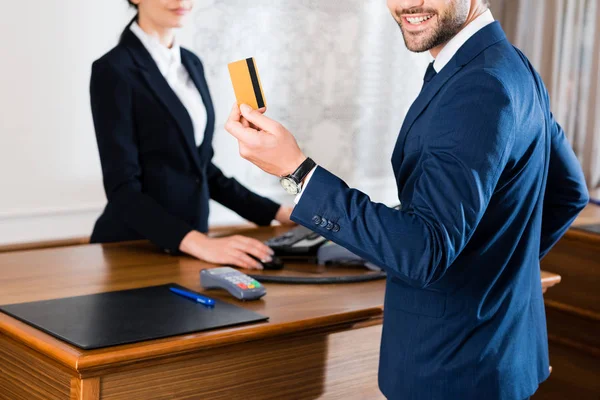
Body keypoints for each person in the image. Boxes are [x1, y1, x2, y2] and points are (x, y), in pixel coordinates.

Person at [225, 0, 589, 398]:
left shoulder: (479, 85)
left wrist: (297, 171)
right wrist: (494, 271)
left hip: (453, 370)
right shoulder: (509, 63)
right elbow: (569, 193)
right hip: (495, 359)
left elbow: (424, 250)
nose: (407, 4)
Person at [90, 0, 294, 270]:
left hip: (192, 248)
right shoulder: (114, 69)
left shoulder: (191, 63)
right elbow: (122, 190)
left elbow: (202, 169)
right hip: (134, 250)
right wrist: (200, 243)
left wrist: (278, 213)